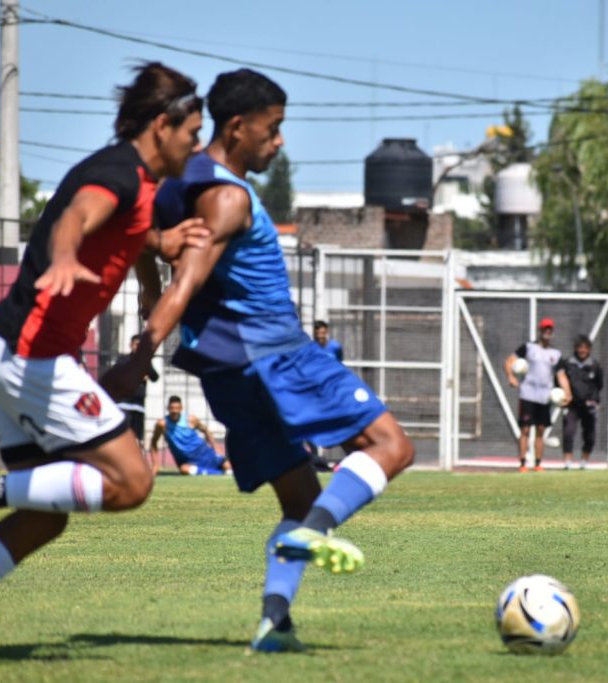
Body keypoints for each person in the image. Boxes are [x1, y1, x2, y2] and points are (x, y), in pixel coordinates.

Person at [0, 62, 207, 667]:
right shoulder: (116, 175)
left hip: (10, 353)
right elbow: (79, 214)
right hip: (35, 358)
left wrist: (159, 254)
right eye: (193, 131)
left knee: (44, 518)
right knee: (132, 481)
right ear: (163, 125)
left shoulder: (139, 182)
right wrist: (63, 256)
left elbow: (131, 230)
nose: (197, 143)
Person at [104, 68, 415, 653]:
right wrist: (142, 347)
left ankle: (275, 623)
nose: (279, 141)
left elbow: (141, 230)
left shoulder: (177, 181)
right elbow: (188, 279)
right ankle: (318, 533)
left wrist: (146, 290)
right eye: (272, 129)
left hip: (228, 377)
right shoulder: (228, 196)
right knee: (392, 446)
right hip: (277, 354)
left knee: (298, 499)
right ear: (237, 127)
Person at [504, 317, 571, 473]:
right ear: (540, 330)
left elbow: (561, 375)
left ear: (552, 331)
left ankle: (538, 463)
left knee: (541, 430)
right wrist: (511, 377)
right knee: (525, 430)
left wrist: (568, 393)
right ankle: (523, 464)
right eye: (545, 328)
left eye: (550, 329)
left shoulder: (556, 353)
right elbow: (509, 361)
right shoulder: (528, 347)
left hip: (545, 396)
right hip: (528, 395)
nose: (547, 331)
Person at [148, 395, 231, 475]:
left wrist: (215, 447)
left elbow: (205, 430)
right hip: (188, 461)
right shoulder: (162, 424)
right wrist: (155, 465)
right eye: (172, 408)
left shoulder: (190, 420)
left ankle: (217, 472)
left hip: (204, 453)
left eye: (177, 408)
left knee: (227, 466)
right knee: (184, 469)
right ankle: (220, 473)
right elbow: (153, 443)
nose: (174, 411)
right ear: (168, 408)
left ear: (181, 408)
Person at [558, 335, 603, 470]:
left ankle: (584, 462)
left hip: (588, 405)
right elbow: (559, 380)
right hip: (571, 405)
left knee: (590, 435)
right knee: (568, 432)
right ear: (575, 348)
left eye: (585, 348)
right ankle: (568, 463)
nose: (582, 350)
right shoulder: (567, 363)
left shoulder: (595, 365)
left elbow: (599, 385)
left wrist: (594, 400)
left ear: (589, 349)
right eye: (580, 347)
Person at [114, 334, 160, 451]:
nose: (138, 347)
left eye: (140, 345)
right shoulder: (123, 359)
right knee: (123, 433)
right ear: (131, 345)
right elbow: (116, 373)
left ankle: (135, 454)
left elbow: (155, 377)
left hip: (139, 404)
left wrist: (147, 365)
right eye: (136, 344)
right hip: (124, 403)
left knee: (137, 435)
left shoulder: (145, 362)